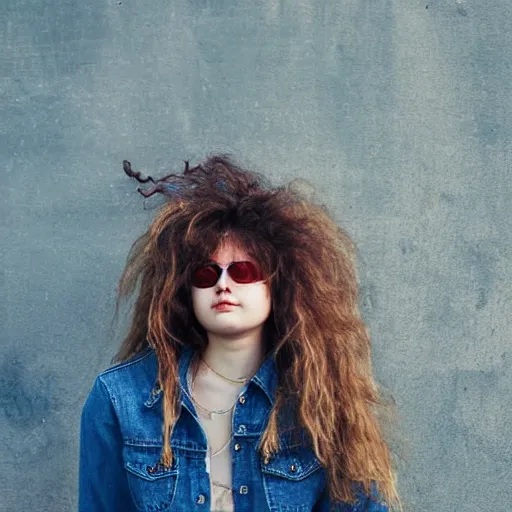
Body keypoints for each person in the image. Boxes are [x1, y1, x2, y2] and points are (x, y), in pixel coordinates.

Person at [78, 155, 401, 511]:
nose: (223, 285)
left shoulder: (318, 395)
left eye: (243, 271)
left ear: (277, 284)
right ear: (186, 290)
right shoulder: (121, 398)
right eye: (206, 274)